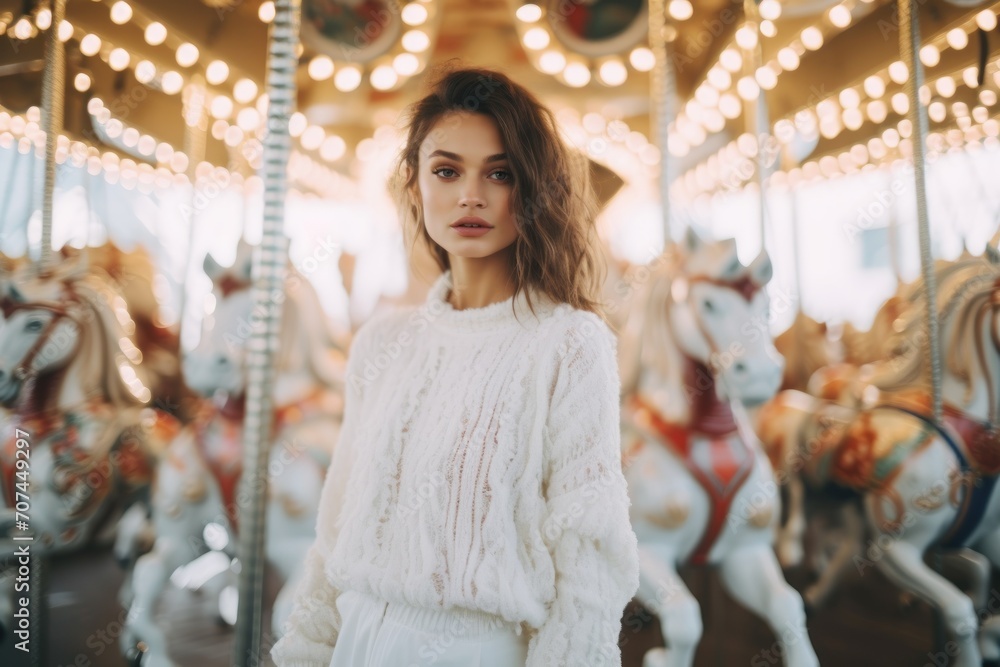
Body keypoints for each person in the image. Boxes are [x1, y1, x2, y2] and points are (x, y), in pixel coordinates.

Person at [270, 65, 640, 667]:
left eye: (500, 173)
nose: (471, 195)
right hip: (357, 640)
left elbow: (588, 554)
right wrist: (305, 652)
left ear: (532, 190)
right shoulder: (382, 342)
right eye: (447, 171)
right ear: (415, 187)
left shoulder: (569, 343)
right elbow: (336, 526)